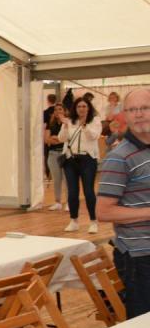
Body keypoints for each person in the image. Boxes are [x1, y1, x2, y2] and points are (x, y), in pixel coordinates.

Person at [98, 87, 150, 318]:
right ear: (125, 116)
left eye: (144, 108)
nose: (138, 114)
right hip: (140, 258)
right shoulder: (118, 158)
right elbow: (104, 212)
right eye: (132, 110)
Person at [56, 96, 103, 233]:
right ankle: (74, 220)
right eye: (79, 106)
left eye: (84, 106)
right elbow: (61, 138)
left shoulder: (95, 120)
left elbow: (94, 136)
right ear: (75, 108)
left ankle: (93, 221)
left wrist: (84, 126)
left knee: (88, 191)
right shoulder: (70, 121)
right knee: (72, 191)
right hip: (70, 159)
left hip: (88, 159)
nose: (81, 109)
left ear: (88, 108)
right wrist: (65, 126)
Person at [44, 103, 67, 211]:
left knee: (67, 179)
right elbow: (46, 139)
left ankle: (69, 202)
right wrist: (57, 139)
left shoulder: (67, 123)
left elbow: (67, 138)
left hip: (65, 154)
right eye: (56, 110)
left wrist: (56, 138)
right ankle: (57, 202)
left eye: (60, 109)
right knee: (56, 179)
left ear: (64, 111)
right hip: (53, 154)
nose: (58, 111)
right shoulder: (51, 124)